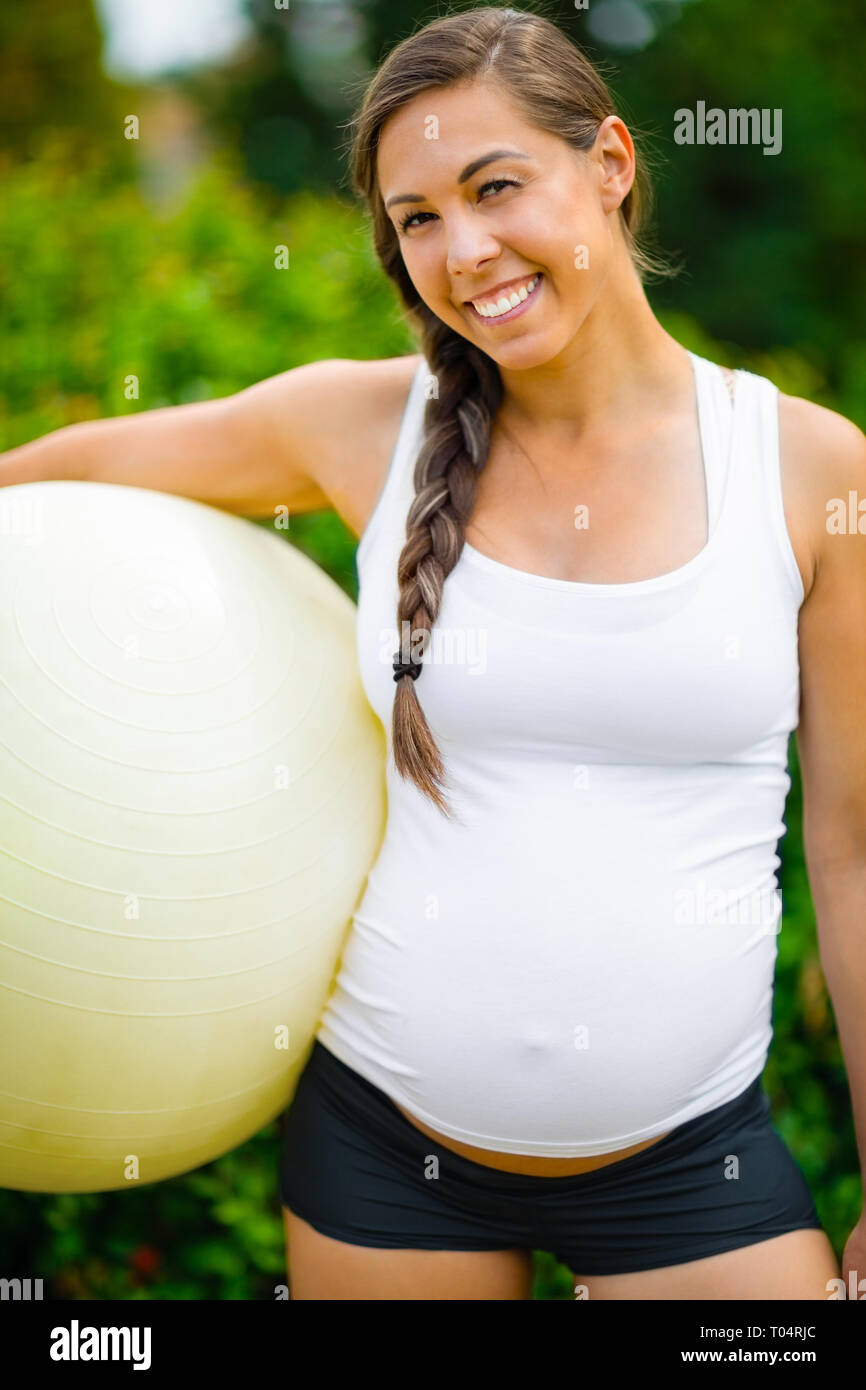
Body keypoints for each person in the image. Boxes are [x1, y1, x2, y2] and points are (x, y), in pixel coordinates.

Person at [2, 5, 864, 1302]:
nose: (463, 252)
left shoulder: (807, 469)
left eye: (494, 187)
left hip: (693, 1167)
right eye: (415, 218)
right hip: (381, 1156)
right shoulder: (356, 427)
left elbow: (852, 847)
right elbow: (46, 485)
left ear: (611, 163)